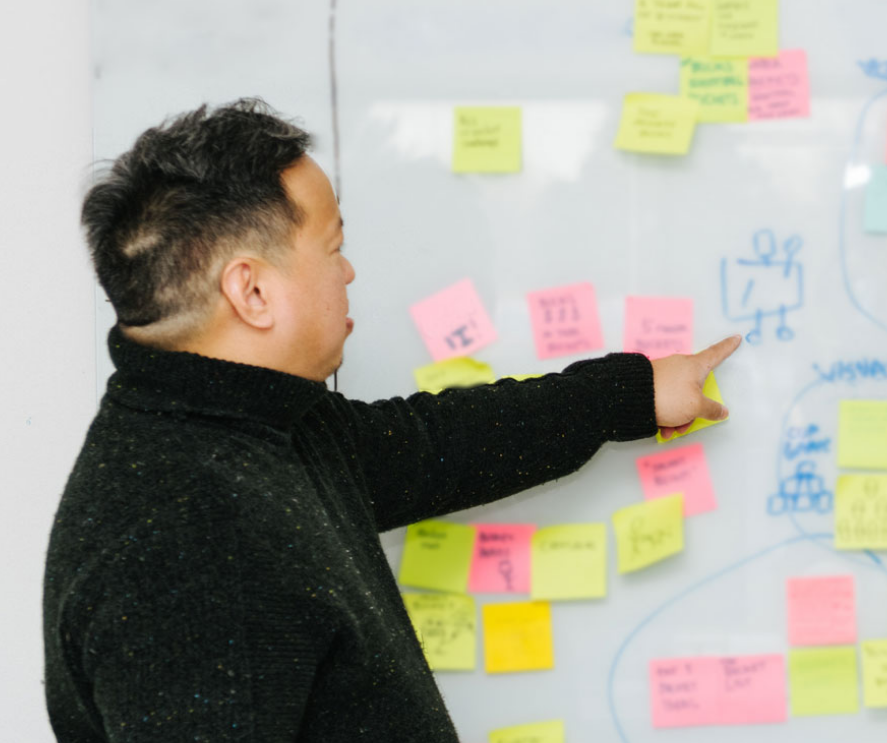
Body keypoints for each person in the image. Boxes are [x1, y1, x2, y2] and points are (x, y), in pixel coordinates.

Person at [42, 99, 738, 742]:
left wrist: (632, 394)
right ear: (252, 290)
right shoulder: (185, 547)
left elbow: (436, 447)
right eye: (333, 245)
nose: (347, 273)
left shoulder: (254, 424)